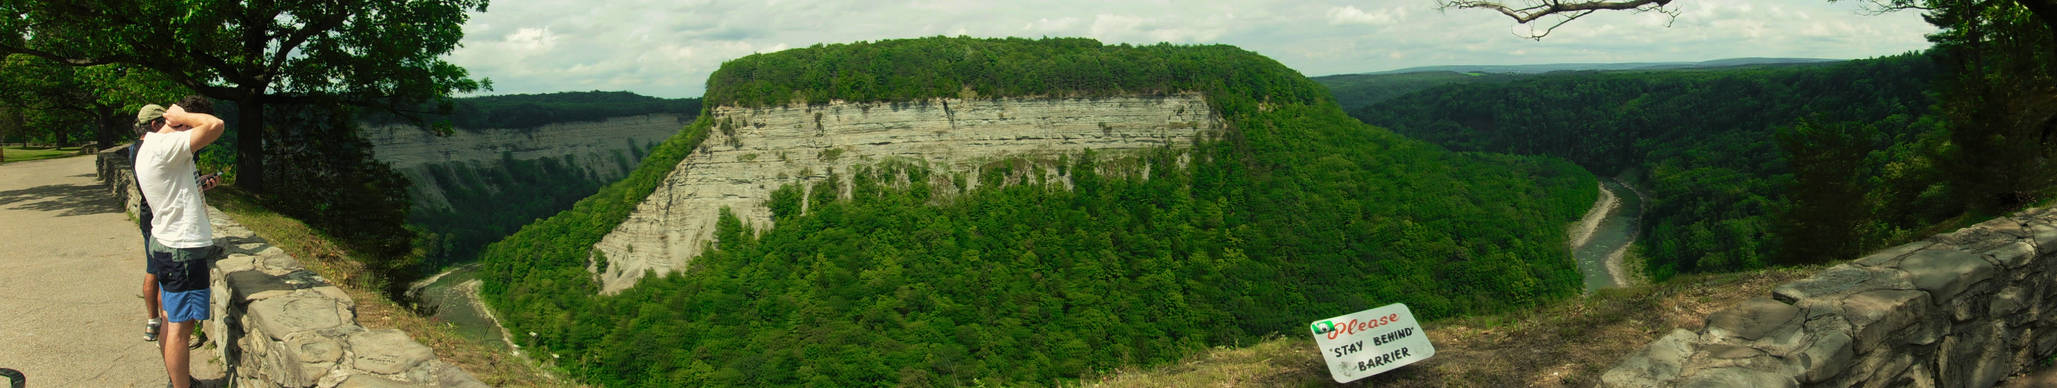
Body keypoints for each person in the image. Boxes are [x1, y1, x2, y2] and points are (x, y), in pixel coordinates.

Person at [136, 95, 224, 388]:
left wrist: (200, 186)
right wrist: (183, 115)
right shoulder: (167, 146)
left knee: (169, 318)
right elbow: (215, 125)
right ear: (185, 123)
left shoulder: (151, 145)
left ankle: (180, 381)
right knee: (181, 329)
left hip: (166, 241)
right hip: (181, 250)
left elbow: (174, 189)